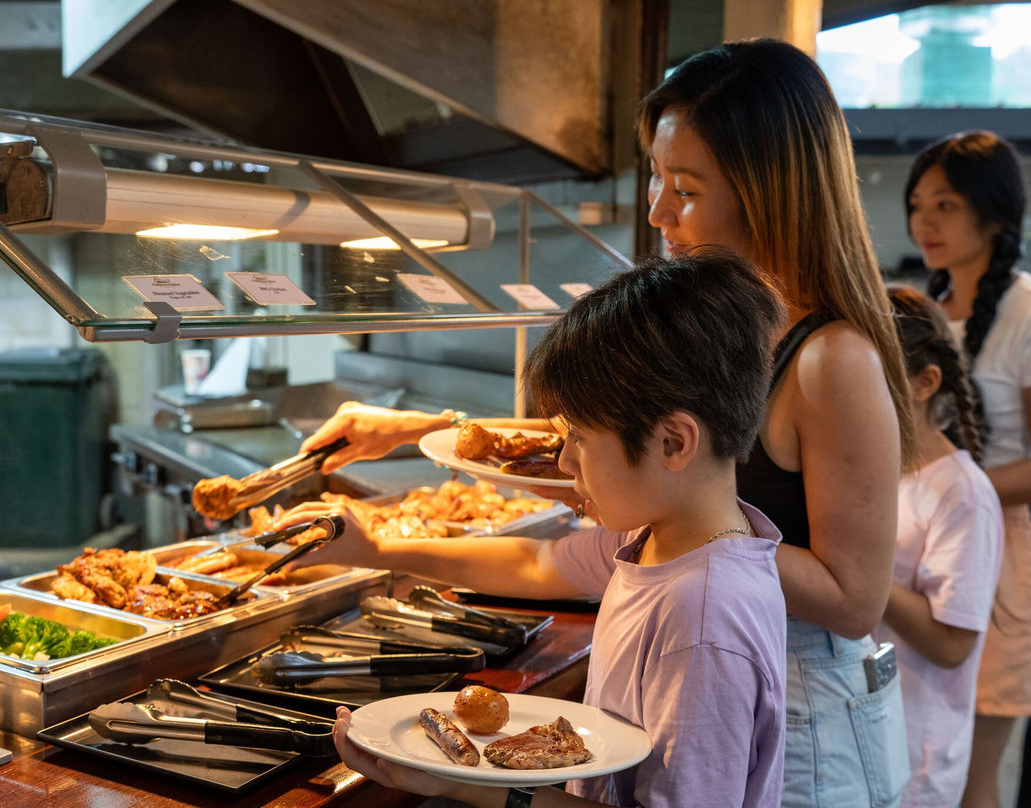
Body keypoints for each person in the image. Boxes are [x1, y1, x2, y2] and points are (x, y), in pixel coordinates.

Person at [298, 39, 916, 807]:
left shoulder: (830, 360)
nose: (658, 211)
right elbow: (623, 452)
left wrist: (688, 533)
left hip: (803, 716)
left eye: (685, 188)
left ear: (770, 192)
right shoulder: (709, 351)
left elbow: (855, 597)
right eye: (658, 178)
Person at [289, 250, 788, 807]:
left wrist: (469, 787)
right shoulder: (659, 541)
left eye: (578, 436)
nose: (566, 462)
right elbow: (538, 562)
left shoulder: (701, 616)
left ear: (673, 442)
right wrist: (378, 547)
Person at [903, 130, 1031, 808]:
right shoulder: (919, 310)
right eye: (918, 204)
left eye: (946, 205)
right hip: (911, 546)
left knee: (971, 773)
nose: (925, 221)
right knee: (911, 759)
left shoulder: (1026, 311)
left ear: (995, 212)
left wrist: (956, 482)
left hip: (1001, 556)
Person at [875, 285, 1003, 807]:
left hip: (916, 755)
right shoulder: (880, 473)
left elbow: (953, 645)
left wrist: (853, 571)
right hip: (871, 731)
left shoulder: (963, 493)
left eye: (873, 376)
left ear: (925, 383)